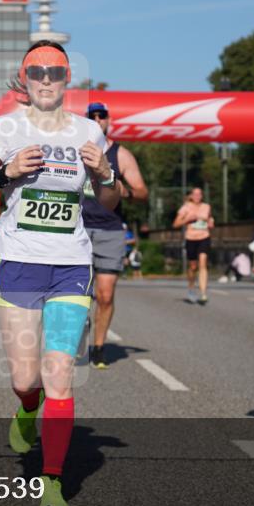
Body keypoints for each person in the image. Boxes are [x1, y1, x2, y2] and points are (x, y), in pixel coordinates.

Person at [0, 40, 120, 506]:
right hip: (17, 262)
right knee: (26, 377)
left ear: (67, 78)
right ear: (24, 77)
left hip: (71, 264)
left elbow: (109, 204)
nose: (47, 79)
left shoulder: (89, 131)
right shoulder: (6, 127)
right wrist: (5, 172)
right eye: (38, 71)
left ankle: (52, 481)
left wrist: (106, 174)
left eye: (56, 71)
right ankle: (25, 407)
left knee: (59, 375)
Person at [80, 102, 148, 369]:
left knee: (105, 295)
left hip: (110, 230)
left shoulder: (121, 155)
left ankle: (98, 347)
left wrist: (121, 190)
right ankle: (79, 326)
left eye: (102, 116)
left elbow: (142, 191)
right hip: (79, 228)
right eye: (92, 116)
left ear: (109, 120)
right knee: (77, 292)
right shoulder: (76, 150)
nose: (97, 119)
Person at [173, 188, 214, 305]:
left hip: (204, 237)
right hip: (191, 238)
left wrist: (211, 222)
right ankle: (191, 288)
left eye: (199, 194)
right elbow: (175, 223)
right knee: (193, 266)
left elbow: (210, 218)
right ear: (191, 196)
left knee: (203, 262)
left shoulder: (206, 207)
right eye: (195, 194)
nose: (197, 196)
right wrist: (187, 219)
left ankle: (203, 293)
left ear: (202, 196)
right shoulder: (185, 207)